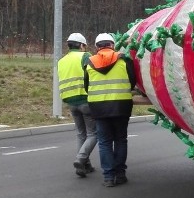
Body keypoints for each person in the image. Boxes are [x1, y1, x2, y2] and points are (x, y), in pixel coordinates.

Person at [84, 32, 136, 187]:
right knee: (120, 139)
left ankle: (108, 177)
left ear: (97, 47)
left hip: (98, 108)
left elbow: (87, 87)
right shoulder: (124, 59)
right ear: (112, 45)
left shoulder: (89, 62)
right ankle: (120, 174)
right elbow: (132, 82)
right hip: (121, 105)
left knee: (104, 142)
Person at [58, 32, 97, 177]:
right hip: (85, 100)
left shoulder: (61, 61)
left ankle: (84, 166)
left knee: (81, 134)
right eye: (84, 46)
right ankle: (81, 159)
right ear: (81, 45)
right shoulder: (85, 56)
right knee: (94, 134)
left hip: (70, 101)